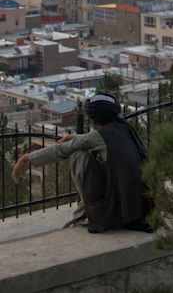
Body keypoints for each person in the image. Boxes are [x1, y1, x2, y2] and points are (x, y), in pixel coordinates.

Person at [11, 93, 152, 233]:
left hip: (118, 210)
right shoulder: (124, 128)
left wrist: (27, 159)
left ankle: (86, 208)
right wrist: (77, 137)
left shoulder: (97, 136)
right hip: (139, 205)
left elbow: (60, 150)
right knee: (83, 147)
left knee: (79, 153)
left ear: (93, 116)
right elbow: (98, 140)